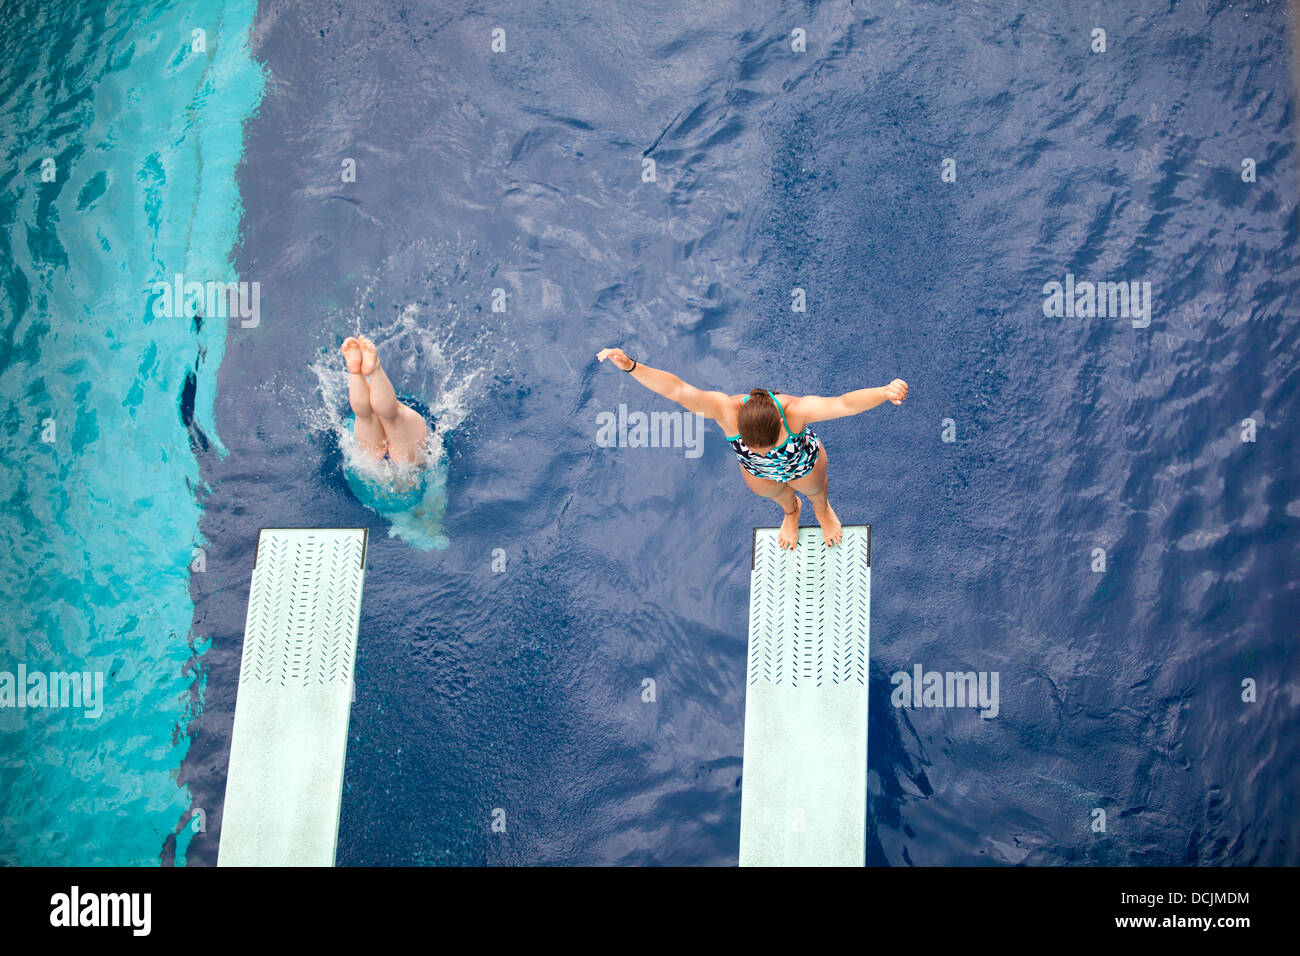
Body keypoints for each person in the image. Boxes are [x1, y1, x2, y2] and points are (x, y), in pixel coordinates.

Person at [596, 348, 908, 549]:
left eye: (765, 446)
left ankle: (821, 510)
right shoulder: (726, 411)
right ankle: (792, 512)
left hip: (801, 461)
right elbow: (678, 390)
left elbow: (843, 403)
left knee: (814, 489)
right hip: (759, 474)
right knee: (775, 494)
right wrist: (632, 367)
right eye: (752, 446)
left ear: (778, 428)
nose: (758, 451)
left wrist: (883, 392)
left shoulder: (794, 412)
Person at [340, 335, 430, 465]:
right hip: (407, 468)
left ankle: (360, 371)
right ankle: (365, 371)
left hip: (379, 466)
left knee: (367, 416)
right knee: (387, 415)